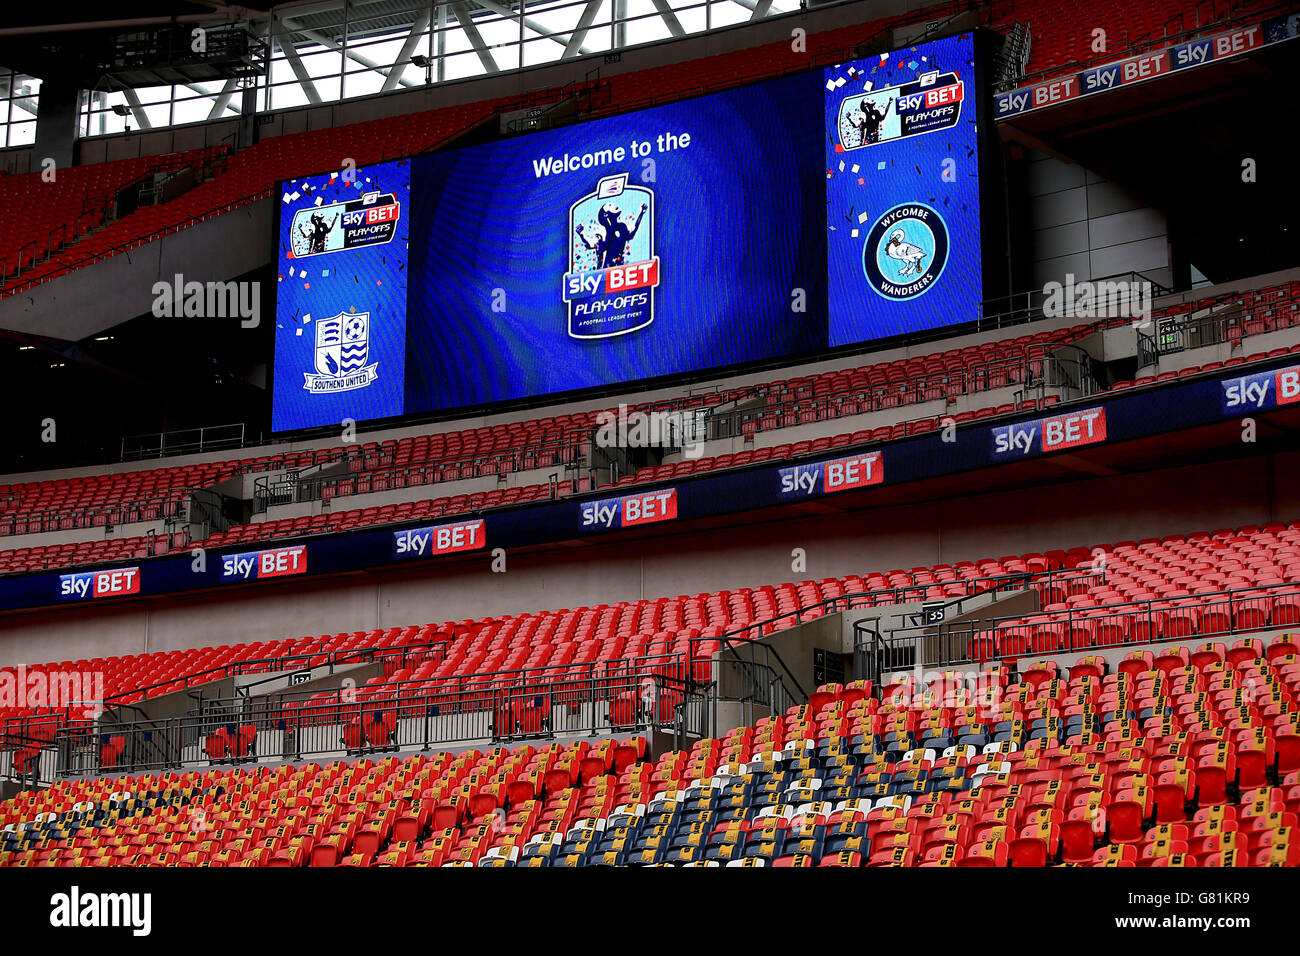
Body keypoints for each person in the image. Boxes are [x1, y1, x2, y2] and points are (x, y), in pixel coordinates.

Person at [576, 201, 647, 269]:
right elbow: (590, 245)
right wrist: (581, 234)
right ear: (605, 214)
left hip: (620, 268)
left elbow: (632, 233)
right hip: (604, 270)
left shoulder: (622, 227)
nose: (613, 205)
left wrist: (641, 213)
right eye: (610, 205)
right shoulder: (602, 232)